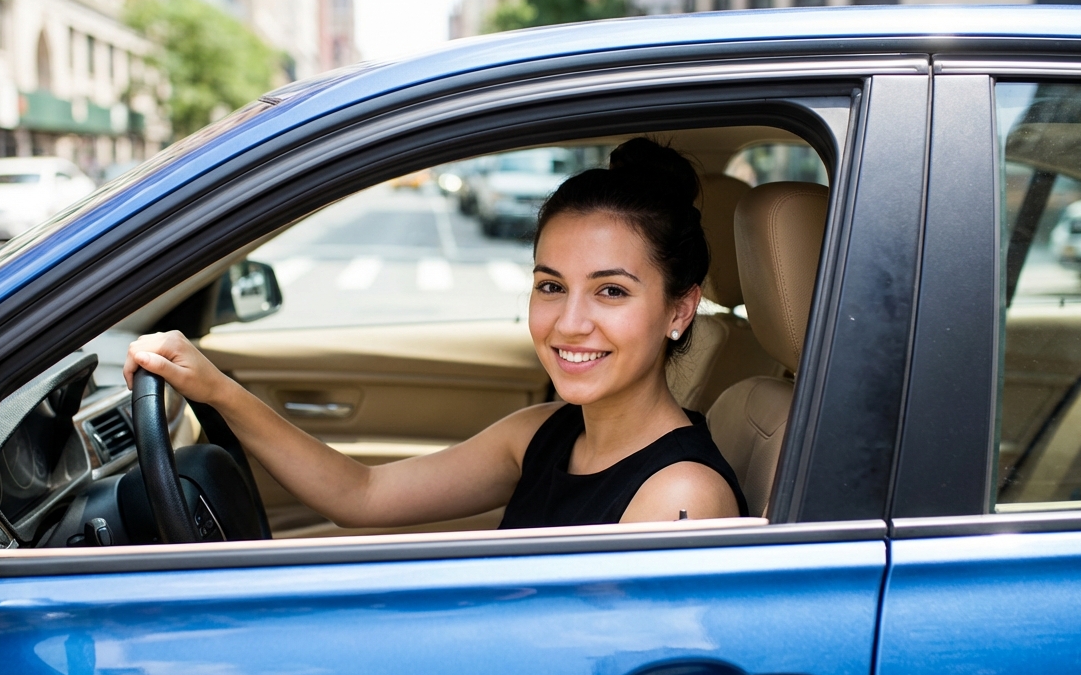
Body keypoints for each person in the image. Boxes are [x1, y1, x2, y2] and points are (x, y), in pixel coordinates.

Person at [124, 138, 748, 529]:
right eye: (551, 285)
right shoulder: (544, 434)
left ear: (680, 310)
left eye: (611, 291)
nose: (569, 322)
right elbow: (362, 493)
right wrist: (217, 390)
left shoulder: (680, 496)